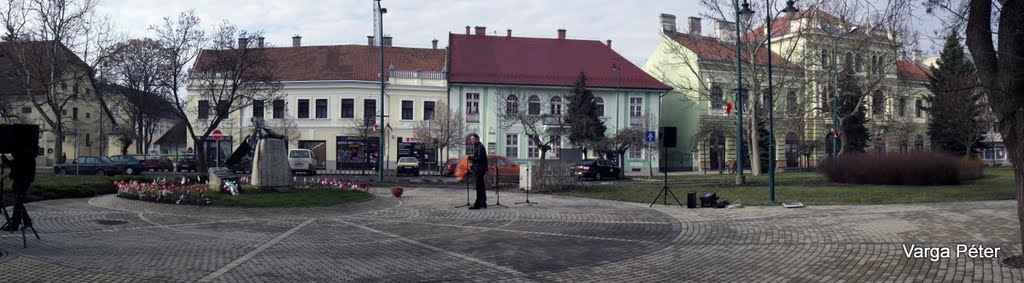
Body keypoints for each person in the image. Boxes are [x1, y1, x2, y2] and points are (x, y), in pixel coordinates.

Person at [1, 148, 36, 232]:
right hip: (20, 181)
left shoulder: (24, 156)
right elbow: (16, 167)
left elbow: (17, 167)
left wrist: (5, 161)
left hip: (22, 182)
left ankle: (14, 225)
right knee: (18, 203)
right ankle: (27, 221)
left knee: (17, 203)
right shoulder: (25, 156)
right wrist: (8, 174)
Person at [467, 133, 488, 210]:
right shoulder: (478, 146)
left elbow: (479, 158)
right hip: (481, 169)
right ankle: (483, 203)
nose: (471, 140)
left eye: (473, 139)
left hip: (480, 169)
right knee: (481, 186)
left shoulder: (480, 147)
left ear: (477, 139)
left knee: (479, 187)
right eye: (471, 139)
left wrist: (469, 157)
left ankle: (477, 204)